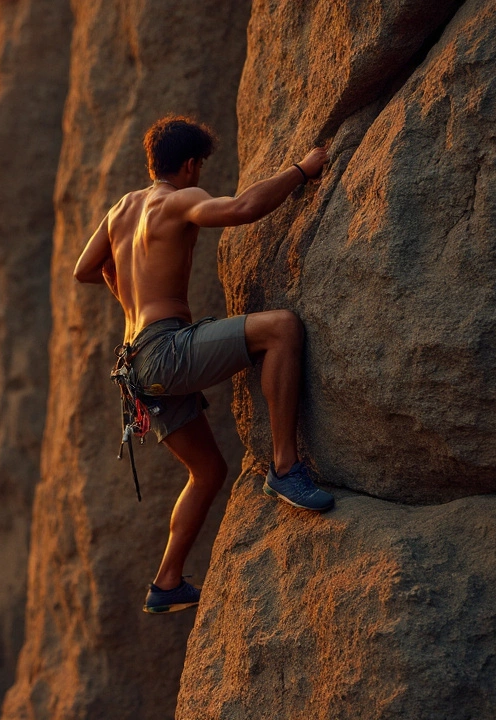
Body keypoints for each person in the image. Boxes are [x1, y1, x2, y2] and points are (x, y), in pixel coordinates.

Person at [72, 115, 332, 615]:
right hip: (165, 351)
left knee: (207, 471)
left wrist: (128, 297)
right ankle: (285, 467)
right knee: (281, 328)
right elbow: (242, 208)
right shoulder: (179, 199)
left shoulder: (121, 209)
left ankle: (166, 581)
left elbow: (87, 269)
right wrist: (302, 169)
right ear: (190, 165)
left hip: (135, 369)